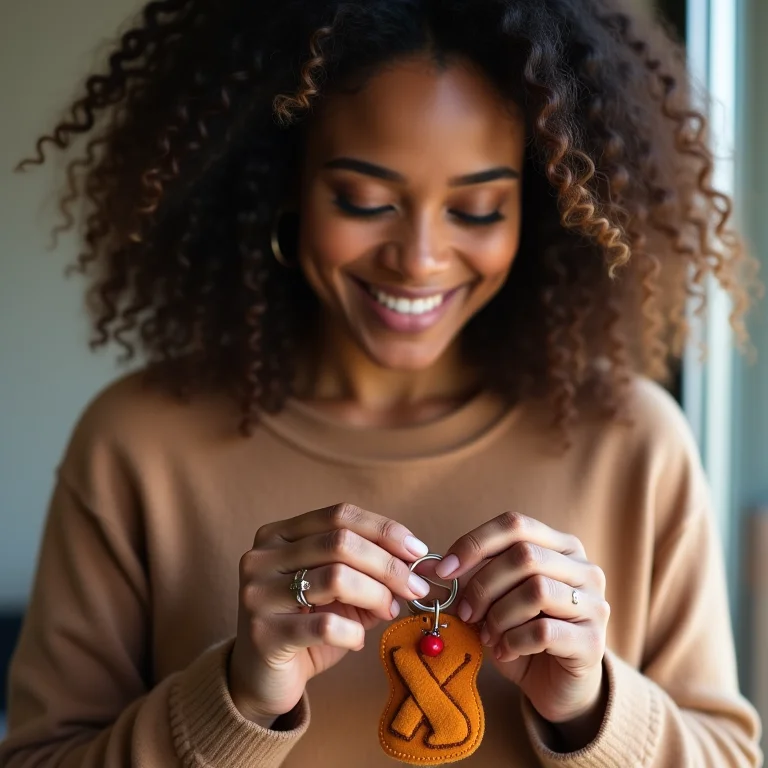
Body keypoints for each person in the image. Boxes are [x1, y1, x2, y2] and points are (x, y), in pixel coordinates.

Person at [1, 0, 763, 765]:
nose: (419, 259)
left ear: (537, 210)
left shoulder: (633, 442)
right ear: (283, 182)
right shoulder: (137, 443)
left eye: (477, 209)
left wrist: (592, 708)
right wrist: (234, 700)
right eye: (363, 201)